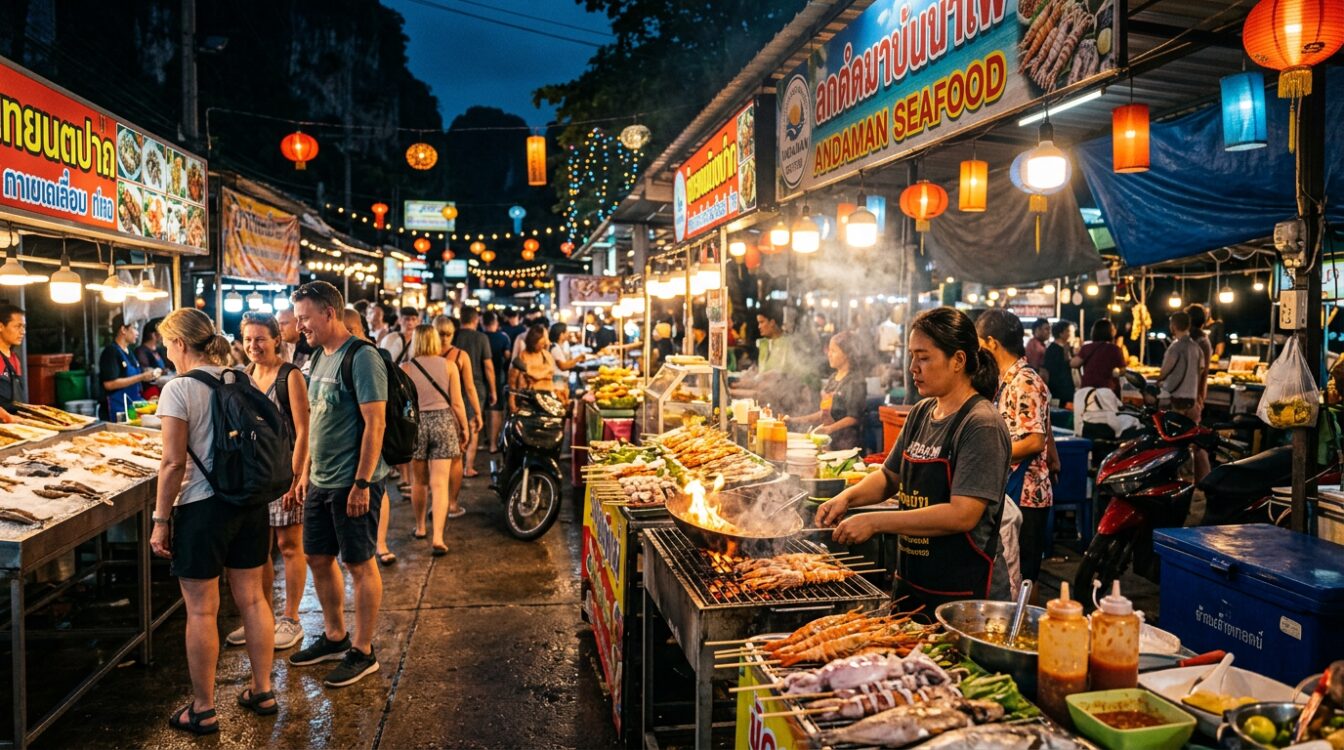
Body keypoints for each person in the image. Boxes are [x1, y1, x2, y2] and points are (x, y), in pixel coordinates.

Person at [815, 307, 1012, 610]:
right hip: (913, 582)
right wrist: (846, 498)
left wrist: (876, 521)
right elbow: (889, 477)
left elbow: (963, 514)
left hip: (963, 596)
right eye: (911, 356)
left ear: (958, 360)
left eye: (924, 357)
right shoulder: (921, 412)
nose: (912, 368)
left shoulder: (980, 424)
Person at [150, 308, 276, 734]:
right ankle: (263, 690)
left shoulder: (178, 389)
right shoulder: (240, 377)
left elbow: (172, 463)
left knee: (202, 610)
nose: (167, 352)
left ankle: (203, 708)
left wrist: (160, 519)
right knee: (253, 600)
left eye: (167, 344)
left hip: (202, 508)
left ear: (180, 343)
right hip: (248, 503)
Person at [287, 280, 387, 688]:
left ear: (329, 313)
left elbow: (376, 424)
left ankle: (363, 651)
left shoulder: (362, 357)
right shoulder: (318, 356)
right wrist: (303, 474)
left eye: (305, 318)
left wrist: (362, 483)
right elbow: (315, 420)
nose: (300, 327)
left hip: (353, 481)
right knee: (317, 556)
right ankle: (334, 636)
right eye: (297, 319)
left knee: (359, 564)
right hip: (320, 480)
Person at [225, 313, 310, 652]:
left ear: (276, 340)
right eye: (248, 339)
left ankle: (291, 619)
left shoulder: (290, 376)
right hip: (253, 477)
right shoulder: (244, 376)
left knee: (289, 546)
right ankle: (261, 618)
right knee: (259, 551)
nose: (253, 346)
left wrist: (296, 478)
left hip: (283, 474)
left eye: (260, 339)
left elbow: (304, 431)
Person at [977, 309, 1053, 590]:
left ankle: (1025, 618)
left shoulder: (1024, 382)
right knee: (1010, 571)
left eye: (980, 343)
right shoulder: (1006, 380)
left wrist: (988, 453)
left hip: (1026, 494)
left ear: (992, 343)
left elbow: (1034, 441)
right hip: (1011, 489)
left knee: (1024, 578)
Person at [401, 325, 468, 555]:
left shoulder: (406, 368)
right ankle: (438, 537)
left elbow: (402, 404)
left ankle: (420, 527)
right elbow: (457, 402)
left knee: (419, 482)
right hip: (443, 422)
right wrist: (465, 428)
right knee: (440, 483)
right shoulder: (449, 366)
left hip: (417, 424)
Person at [788, 331, 868, 451]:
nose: (829, 354)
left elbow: (854, 417)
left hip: (848, 446)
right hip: (830, 442)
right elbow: (823, 413)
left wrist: (830, 429)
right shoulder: (833, 378)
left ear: (846, 354)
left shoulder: (856, 381)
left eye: (833, 351)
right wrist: (794, 420)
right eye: (829, 350)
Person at [434, 315, 480, 515]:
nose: (445, 338)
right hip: (452, 414)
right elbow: (469, 388)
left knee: (431, 463)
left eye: (447, 334)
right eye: (443, 334)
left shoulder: (423, 355)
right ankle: (451, 503)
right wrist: (477, 413)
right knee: (455, 460)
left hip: (428, 413)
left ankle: (436, 504)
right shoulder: (460, 356)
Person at [1161, 311, 1209, 481]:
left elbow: (1165, 371)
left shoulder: (1175, 348)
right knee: (1193, 441)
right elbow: (1201, 369)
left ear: (1173, 326)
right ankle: (1197, 479)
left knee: (1175, 442)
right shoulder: (1196, 347)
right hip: (1192, 401)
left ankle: (1180, 478)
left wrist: (1158, 381)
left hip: (1176, 402)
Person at [454, 307, 495, 477]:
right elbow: (488, 366)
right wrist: (493, 390)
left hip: (454, 383)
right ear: (476, 320)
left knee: (456, 424)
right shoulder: (481, 338)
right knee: (473, 425)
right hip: (476, 385)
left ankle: (456, 464)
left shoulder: (453, 336)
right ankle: (468, 467)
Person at [100, 314, 156, 421]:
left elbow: (131, 375)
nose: (137, 333)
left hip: (132, 408)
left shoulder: (129, 351)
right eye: (134, 328)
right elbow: (109, 384)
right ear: (123, 330)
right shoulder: (111, 352)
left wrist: (146, 373)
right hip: (118, 410)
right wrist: (141, 377)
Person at [1071, 319, 1126, 396]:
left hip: (1088, 389)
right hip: (1108, 390)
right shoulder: (1115, 349)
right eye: (1113, 329)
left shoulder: (1086, 347)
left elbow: (1074, 364)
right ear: (1110, 332)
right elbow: (1123, 370)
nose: (1115, 331)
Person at [509, 324, 557, 410]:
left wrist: (531, 372)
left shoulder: (546, 356)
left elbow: (550, 372)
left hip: (546, 398)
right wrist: (512, 402)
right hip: (528, 399)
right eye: (540, 344)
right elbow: (512, 382)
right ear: (533, 342)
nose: (543, 346)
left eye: (543, 344)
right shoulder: (522, 357)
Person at [482, 311, 510, 453]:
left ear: (483, 323)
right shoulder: (503, 338)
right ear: (496, 323)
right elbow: (507, 357)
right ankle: (493, 444)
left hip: (480, 377)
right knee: (496, 411)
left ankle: (487, 437)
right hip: (498, 377)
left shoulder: (480, 337)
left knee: (485, 410)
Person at [0, 304, 25, 421]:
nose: (22, 332)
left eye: (24, 327)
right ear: (1, 326)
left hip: (14, 424)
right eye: (17, 326)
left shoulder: (15, 359)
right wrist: (6, 417)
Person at [1043, 320, 1076, 407]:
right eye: (1068, 331)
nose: (1070, 334)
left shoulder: (1066, 348)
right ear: (1061, 333)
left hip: (1066, 389)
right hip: (1059, 390)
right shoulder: (1053, 349)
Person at [137, 319, 169, 399]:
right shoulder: (141, 351)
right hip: (150, 391)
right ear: (153, 334)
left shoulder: (158, 350)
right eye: (161, 333)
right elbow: (146, 371)